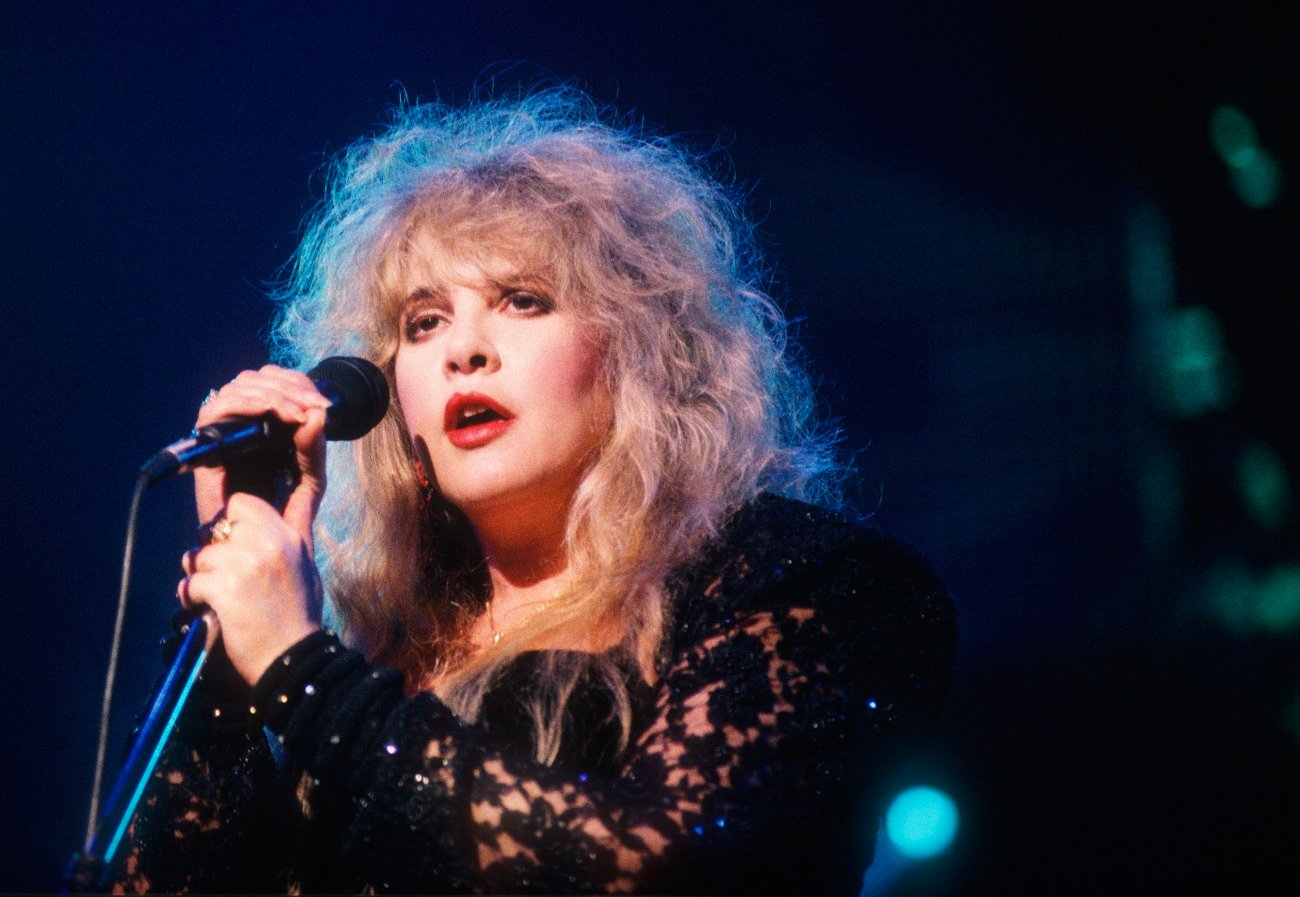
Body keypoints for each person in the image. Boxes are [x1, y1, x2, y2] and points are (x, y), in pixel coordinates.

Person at [112, 89, 955, 894]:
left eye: (523, 300)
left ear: (639, 356)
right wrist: (227, 651)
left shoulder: (805, 583)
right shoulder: (376, 642)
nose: (463, 351)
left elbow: (650, 866)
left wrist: (302, 675)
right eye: (423, 321)